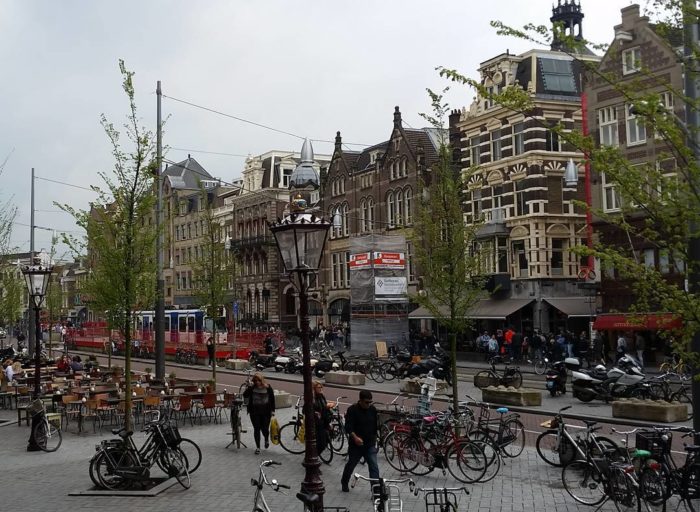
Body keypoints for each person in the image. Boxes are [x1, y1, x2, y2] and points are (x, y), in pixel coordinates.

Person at [341, 390, 379, 492]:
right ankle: (344, 482)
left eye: (370, 402)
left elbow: (375, 425)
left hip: (369, 444)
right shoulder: (352, 410)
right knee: (351, 464)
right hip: (356, 445)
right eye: (367, 402)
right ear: (360, 401)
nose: (369, 404)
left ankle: (375, 490)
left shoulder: (372, 409)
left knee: (374, 466)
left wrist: (375, 438)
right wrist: (355, 437)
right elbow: (348, 426)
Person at [243, 372, 275, 455]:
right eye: (255, 381)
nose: (257, 382)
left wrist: (273, 410)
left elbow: (272, 399)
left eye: (259, 380)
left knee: (264, 428)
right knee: (256, 429)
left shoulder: (268, 387)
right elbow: (245, 395)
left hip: (266, 412)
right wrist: (250, 387)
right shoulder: (252, 387)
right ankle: (258, 447)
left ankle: (266, 439)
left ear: (262, 380)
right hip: (254, 412)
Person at [313, 381, 334, 459]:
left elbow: (324, 407)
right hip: (317, 423)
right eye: (318, 387)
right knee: (321, 444)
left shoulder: (322, 396)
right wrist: (315, 412)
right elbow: (306, 410)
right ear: (314, 388)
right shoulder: (312, 398)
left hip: (324, 421)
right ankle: (313, 457)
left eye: (321, 387)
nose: (320, 389)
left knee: (326, 441)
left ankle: (315, 455)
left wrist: (328, 407)